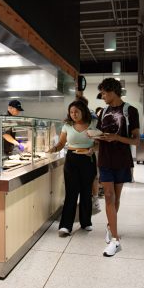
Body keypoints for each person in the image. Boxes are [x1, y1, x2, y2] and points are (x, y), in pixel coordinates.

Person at [93, 78, 140, 257]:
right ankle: (115, 239)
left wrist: (117, 138)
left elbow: (135, 140)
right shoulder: (103, 112)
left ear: (113, 91)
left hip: (121, 160)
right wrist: (94, 140)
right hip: (105, 159)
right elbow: (100, 136)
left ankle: (109, 226)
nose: (103, 96)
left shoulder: (130, 111)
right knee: (109, 197)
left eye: (104, 93)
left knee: (116, 198)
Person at [48, 100, 97, 236]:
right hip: (72, 158)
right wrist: (53, 149)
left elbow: (99, 143)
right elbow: (62, 143)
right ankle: (65, 225)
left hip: (88, 158)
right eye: (71, 112)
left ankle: (86, 222)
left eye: (76, 112)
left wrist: (93, 149)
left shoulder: (93, 124)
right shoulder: (67, 125)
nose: (74, 114)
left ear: (83, 111)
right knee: (71, 192)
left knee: (86, 192)